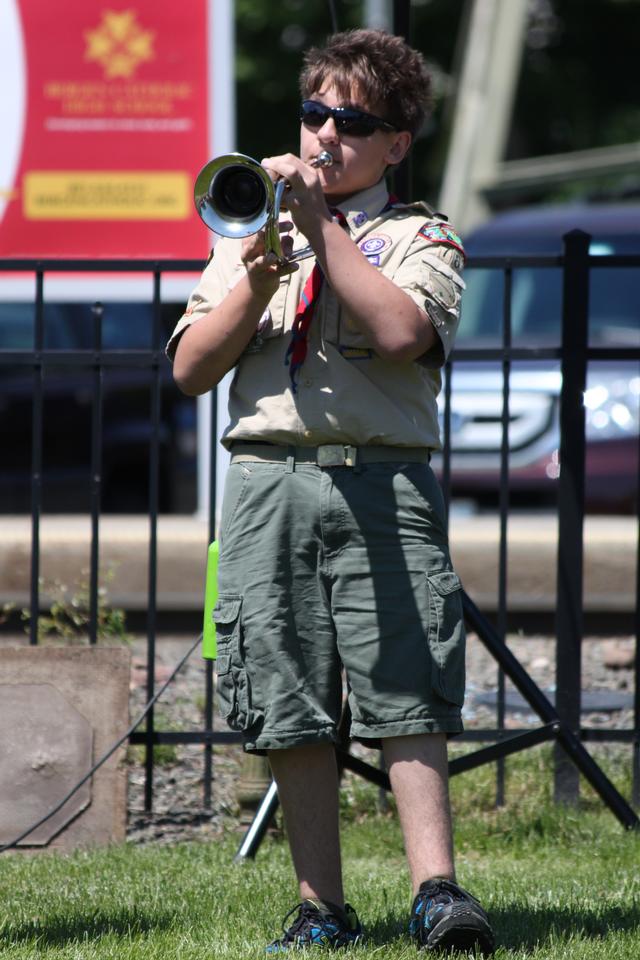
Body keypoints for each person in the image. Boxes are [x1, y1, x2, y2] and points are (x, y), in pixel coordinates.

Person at [168, 27, 494, 955]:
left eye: (352, 120)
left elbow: (398, 333)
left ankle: (437, 893)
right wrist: (264, 267)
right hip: (267, 483)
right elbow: (191, 369)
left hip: (377, 483)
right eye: (314, 113)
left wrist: (325, 233)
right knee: (284, 698)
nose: (325, 136)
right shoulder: (251, 232)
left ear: (397, 141)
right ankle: (322, 907)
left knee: (407, 690)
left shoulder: (419, 236)